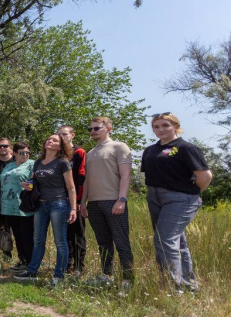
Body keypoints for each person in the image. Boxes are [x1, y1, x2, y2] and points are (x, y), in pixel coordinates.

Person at [142, 112, 211, 294]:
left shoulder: (186, 148)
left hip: (180, 198)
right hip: (154, 197)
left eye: (165, 125)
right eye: (156, 127)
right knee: (177, 242)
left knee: (164, 240)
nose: (160, 129)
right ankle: (189, 285)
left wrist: (191, 194)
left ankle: (173, 288)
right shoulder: (150, 150)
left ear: (175, 126)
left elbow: (205, 176)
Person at [80, 116, 134, 291]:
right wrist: (83, 202)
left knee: (121, 241)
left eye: (96, 128)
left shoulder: (119, 147)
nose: (93, 132)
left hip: (113, 201)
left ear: (108, 128)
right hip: (94, 204)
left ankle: (128, 280)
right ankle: (106, 275)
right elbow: (87, 179)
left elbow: (125, 175)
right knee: (103, 242)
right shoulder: (90, 153)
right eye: (91, 129)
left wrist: (121, 199)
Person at [15, 134, 77, 285]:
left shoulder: (62, 162)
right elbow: (33, 182)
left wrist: (73, 208)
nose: (50, 141)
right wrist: (27, 185)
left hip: (58, 204)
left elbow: (71, 187)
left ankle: (59, 276)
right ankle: (32, 271)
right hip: (41, 205)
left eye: (54, 140)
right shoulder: (38, 163)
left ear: (60, 147)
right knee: (38, 240)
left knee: (60, 241)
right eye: (49, 139)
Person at [0, 143, 35, 270]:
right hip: (9, 206)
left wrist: (29, 185)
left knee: (27, 236)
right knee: (17, 236)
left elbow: (37, 182)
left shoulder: (32, 164)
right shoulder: (8, 165)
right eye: (21, 152)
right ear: (14, 153)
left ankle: (30, 263)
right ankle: (22, 260)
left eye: (27, 152)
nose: (25, 155)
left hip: (24, 206)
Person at [58, 125, 87, 275]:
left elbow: (81, 177)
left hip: (75, 200)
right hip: (60, 200)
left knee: (78, 234)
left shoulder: (79, 152)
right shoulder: (58, 154)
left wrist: (79, 201)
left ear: (72, 135)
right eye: (59, 135)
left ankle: (78, 266)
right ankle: (67, 264)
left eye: (64, 134)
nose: (62, 137)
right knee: (65, 234)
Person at [0, 137, 15, 260]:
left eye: (5, 146)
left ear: (10, 147)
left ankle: (20, 259)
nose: (2, 148)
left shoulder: (17, 161)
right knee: (1, 230)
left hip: (15, 203)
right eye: (0, 146)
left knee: (17, 231)